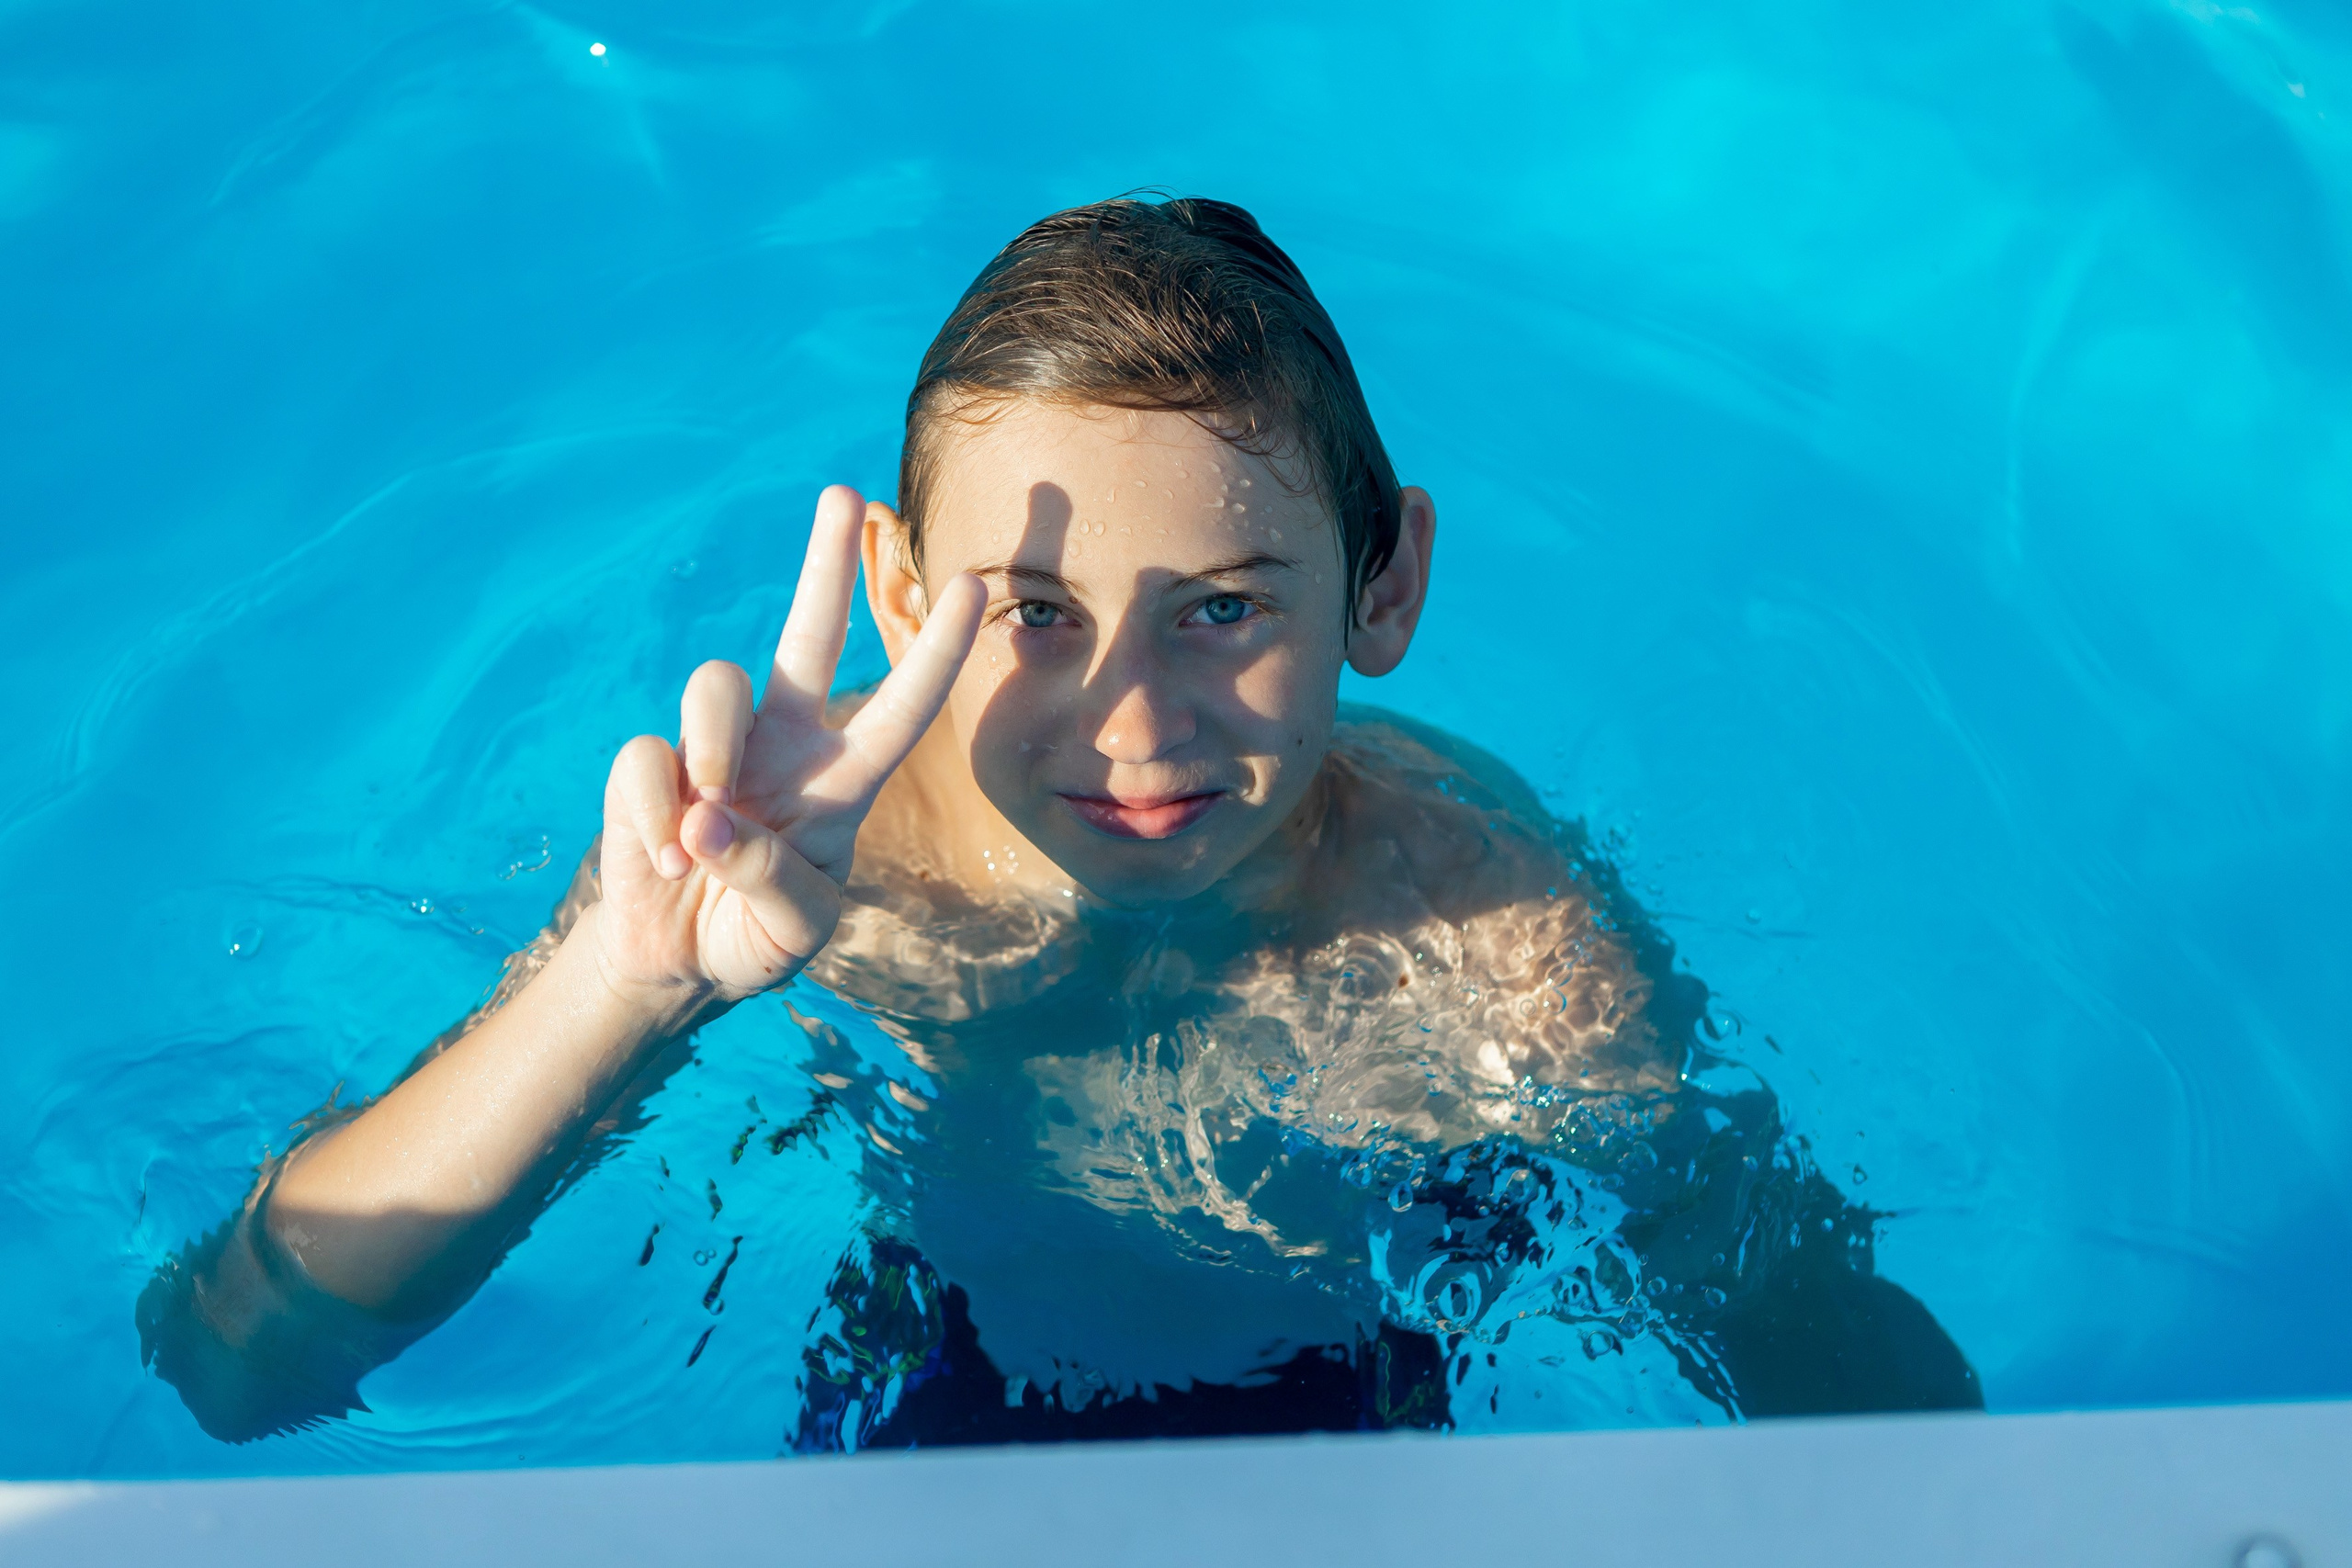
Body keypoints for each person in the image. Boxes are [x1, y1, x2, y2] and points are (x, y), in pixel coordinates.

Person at [141, 197, 1980, 1446]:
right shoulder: (818, 875)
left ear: (1384, 578)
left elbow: (1816, 1349)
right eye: (1033, 614)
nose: (1133, 720)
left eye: (1224, 608)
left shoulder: (1480, 925)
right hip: (926, 1389)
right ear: (893, 585)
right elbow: (235, 1352)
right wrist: (632, 978)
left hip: (1355, 1413)